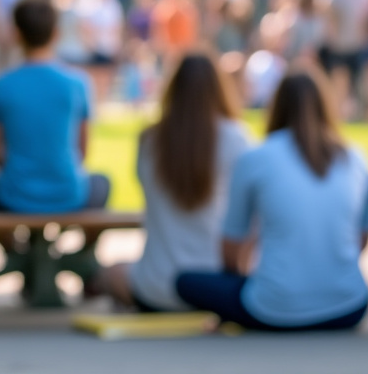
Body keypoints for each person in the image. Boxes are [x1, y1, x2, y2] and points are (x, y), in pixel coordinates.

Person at [175, 71, 368, 331]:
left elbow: (230, 244)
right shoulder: (356, 158)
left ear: (276, 106)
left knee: (185, 282)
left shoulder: (256, 158)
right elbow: (361, 239)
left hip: (275, 310)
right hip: (349, 306)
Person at [90, 54, 251, 311]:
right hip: (213, 286)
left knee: (111, 272)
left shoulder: (150, 140)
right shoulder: (235, 139)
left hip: (156, 288)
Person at [0, 0, 110, 214]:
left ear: (16, 34)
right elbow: (82, 152)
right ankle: (82, 249)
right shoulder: (78, 83)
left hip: (14, 196)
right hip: (68, 195)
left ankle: (12, 248)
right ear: (56, 34)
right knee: (102, 182)